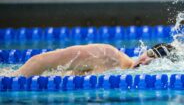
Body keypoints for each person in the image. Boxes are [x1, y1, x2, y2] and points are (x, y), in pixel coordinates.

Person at [15, 43, 175, 77]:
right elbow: (41, 61)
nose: (147, 61)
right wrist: (11, 81)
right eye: (150, 54)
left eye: (156, 61)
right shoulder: (105, 55)